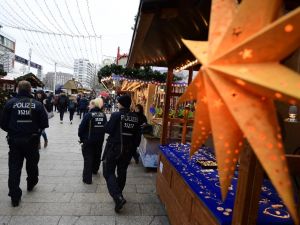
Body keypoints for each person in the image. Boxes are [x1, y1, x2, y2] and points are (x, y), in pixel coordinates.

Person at [0, 81, 49, 207]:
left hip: (14, 140)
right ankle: (31, 182)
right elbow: (44, 124)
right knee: (32, 164)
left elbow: (3, 123)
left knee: (14, 167)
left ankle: (14, 196)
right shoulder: (37, 105)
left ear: (17, 89)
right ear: (30, 90)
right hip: (32, 140)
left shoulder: (10, 103)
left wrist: (13, 130)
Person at [102, 95, 139, 213]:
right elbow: (137, 137)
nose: (117, 104)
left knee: (108, 172)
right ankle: (119, 194)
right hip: (128, 149)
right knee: (122, 172)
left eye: (118, 103)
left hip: (114, 148)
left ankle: (118, 197)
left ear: (122, 104)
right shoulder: (135, 117)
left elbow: (107, 129)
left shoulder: (116, 115)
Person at [78, 98, 107, 184]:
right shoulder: (103, 115)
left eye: (90, 104)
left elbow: (81, 128)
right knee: (97, 155)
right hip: (99, 140)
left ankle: (87, 179)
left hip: (89, 140)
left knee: (88, 158)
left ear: (94, 104)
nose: (88, 106)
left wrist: (82, 138)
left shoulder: (88, 115)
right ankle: (95, 170)